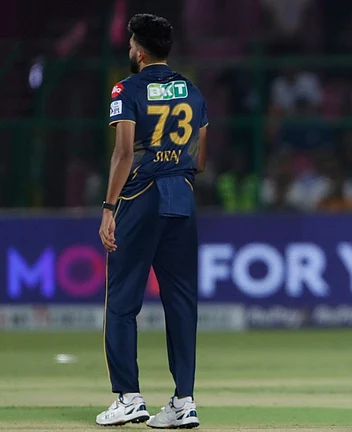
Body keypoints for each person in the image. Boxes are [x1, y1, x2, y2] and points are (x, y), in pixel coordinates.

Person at [96, 13, 207, 429]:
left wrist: (109, 208)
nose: (128, 50)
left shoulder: (127, 89)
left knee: (123, 301)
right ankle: (184, 401)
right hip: (183, 196)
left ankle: (128, 397)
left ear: (139, 50)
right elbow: (201, 158)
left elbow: (124, 152)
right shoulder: (193, 91)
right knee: (181, 303)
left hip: (141, 197)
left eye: (129, 45)